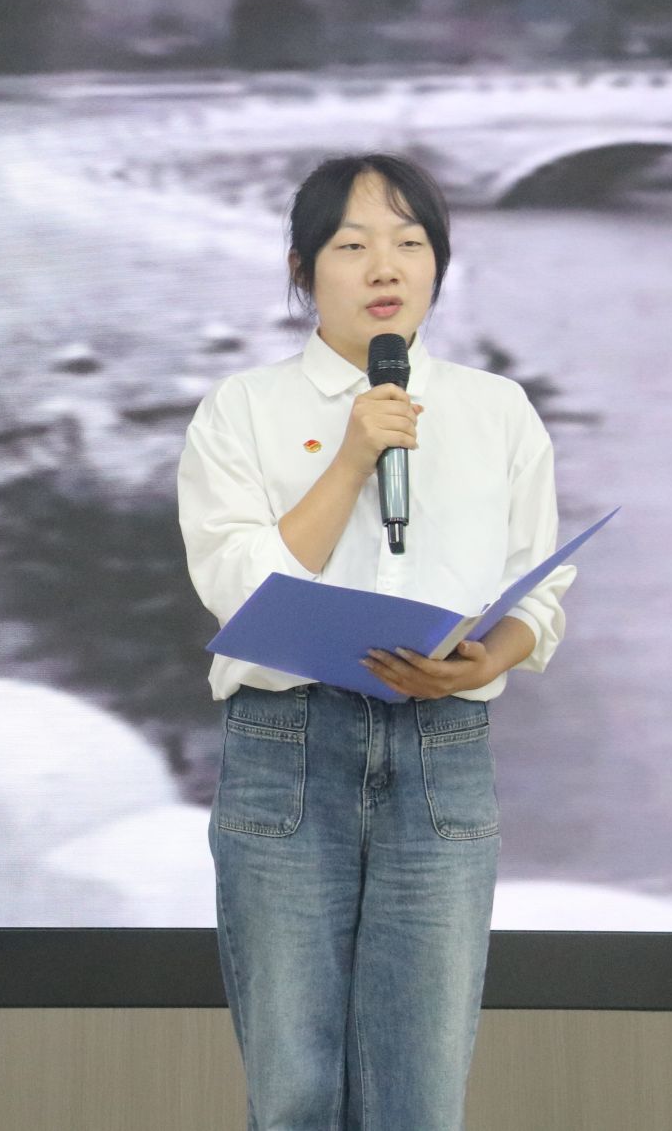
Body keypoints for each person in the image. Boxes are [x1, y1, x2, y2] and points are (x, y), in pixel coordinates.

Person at [177, 154, 573, 1131]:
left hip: (440, 755)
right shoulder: (241, 409)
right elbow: (238, 589)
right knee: (294, 1094)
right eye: (352, 245)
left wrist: (493, 654)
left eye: (410, 243)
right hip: (286, 752)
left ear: (438, 264)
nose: (385, 267)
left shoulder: (497, 410)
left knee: (419, 1095)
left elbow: (540, 583)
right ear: (301, 269)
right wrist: (353, 456)